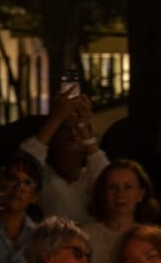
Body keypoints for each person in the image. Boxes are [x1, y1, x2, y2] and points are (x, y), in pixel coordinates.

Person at [76, 160, 159, 263]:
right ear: (103, 193)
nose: (120, 194)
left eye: (128, 187)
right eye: (112, 187)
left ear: (140, 194)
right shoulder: (84, 237)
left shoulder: (152, 237)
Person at [19, 89, 107, 224]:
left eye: (77, 129)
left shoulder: (92, 176)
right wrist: (57, 116)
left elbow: (109, 179)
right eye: (64, 129)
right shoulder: (42, 176)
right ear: (52, 140)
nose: (72, 133)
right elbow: (24, 163)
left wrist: (83, 128)